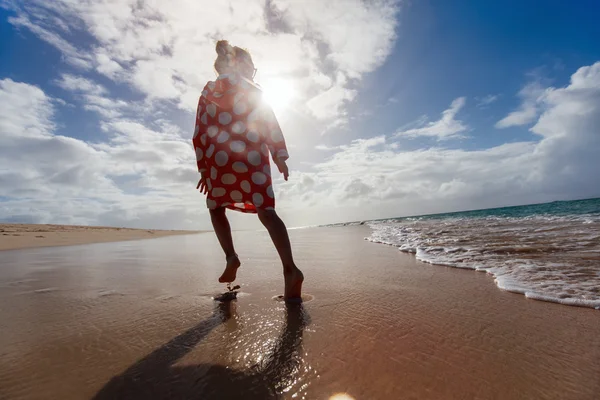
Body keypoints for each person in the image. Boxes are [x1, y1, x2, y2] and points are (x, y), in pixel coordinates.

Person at [192, 40, 304, 300]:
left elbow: (199, 133)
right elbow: (267, 119)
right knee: (267, 212)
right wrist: (279, 154)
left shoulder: (208, 90)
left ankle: (231, 256)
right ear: (240, 64)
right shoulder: (250, 86)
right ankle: (290, 269)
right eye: (253, 68)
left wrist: (204, 169)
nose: (253, 73)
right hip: (251, 157)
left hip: (220, 159)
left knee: (216, 207)